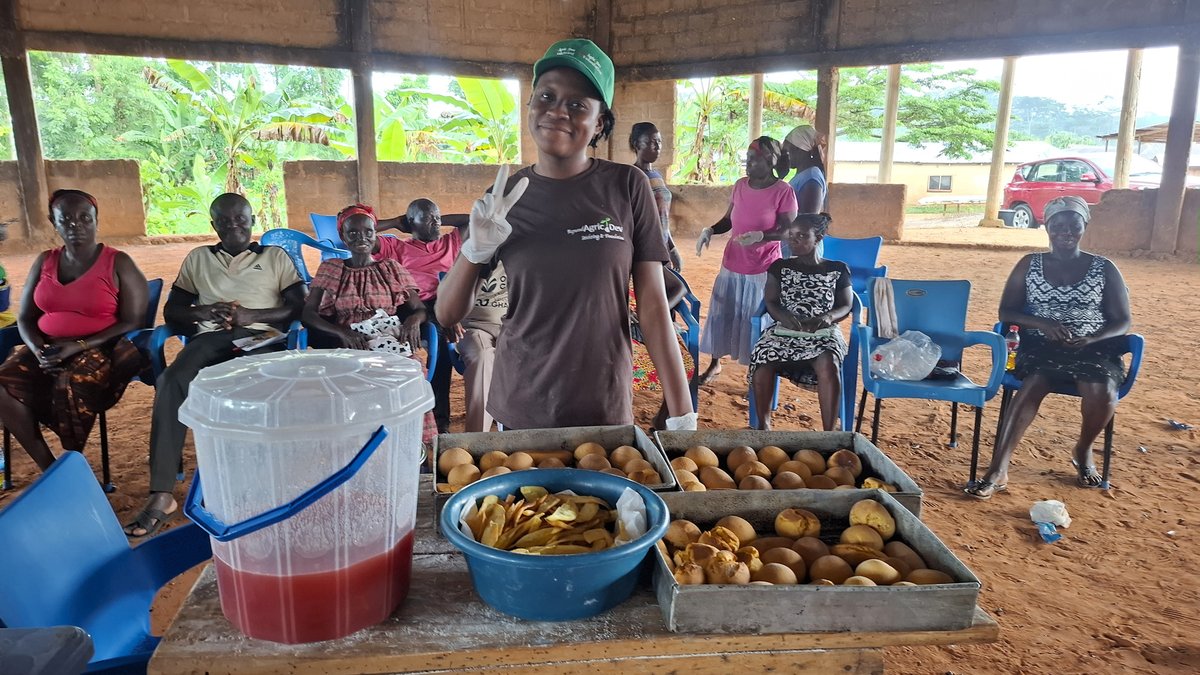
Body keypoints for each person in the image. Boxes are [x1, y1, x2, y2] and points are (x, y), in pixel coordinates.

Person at [436, 38, 695, 431]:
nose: (557, 111)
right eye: (546, 96)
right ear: (530, 107)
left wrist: (682, 412)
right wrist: (474, 250)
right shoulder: (505, 198)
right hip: (521, 399)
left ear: (600, 123)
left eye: (577, 104)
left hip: (603, 400)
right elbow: (447, 314)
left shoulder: (627, 186)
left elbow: (655, 308)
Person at [124, 193, 306, 537]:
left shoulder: (274, 257)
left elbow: (298, 307)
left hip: (262, 338)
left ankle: (262, 486)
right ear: (214, 226)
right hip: (212, 339)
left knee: (259, 388)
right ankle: (162, 494)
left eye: (241, 219)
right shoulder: (198, 259)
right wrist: (203, 312)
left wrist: (253, 315)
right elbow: (172, 312)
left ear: (253, 221)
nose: (234, 226)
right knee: (173, 380)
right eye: (225, 221)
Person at [966, 196, 1131, 499]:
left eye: (1073, 226)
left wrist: (1094, 338)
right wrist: (1043, 324)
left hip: (1092, 348)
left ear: (1084, 227)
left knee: (1102, 391)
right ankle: (998, 469)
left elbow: (1122, 320)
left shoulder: (1104, 268)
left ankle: (1082, 450)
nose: (1066, 232)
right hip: (1042, 346)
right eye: (1058, 226)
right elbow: (1007, 312)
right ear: (1046, 227)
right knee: (1032, 385)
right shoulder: (1029, 264)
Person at [0, 189, 149, 470]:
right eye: (65, 219)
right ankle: (51, 468)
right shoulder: (45, 261)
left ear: (96, 220)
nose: (75, 225)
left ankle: (73, 458)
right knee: (2, 383)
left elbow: (133, 321)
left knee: (70, 383)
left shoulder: (118, 263)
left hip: (100, 347)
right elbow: (25, 317)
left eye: (84, 218)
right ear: (53, 222)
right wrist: (38, 350)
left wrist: (79, 345)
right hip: (48, 348)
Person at [301, 203, 436, 441]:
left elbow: (419, 308)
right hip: (350, 345)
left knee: (410, 376)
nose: (361, 238)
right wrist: (342, 333)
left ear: (376, 235)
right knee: (351, 383)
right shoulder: (332, 268)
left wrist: (413, 321)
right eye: (353, 233)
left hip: (389, 342)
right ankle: (360, 445)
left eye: (368, 232)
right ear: (343, 236)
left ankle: (413, 444)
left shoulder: (391, 268)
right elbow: (308, 314)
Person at [695, 136, 798, 386]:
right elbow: (729, 219)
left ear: (770, 160)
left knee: (755, 318)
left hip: (762, 267)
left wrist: (763, 236)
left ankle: (758, 372)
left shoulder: (783, 191)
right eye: (747, 160)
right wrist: (710, 230)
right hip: (733, 262)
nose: (747, 164)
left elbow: (788, 230)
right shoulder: (741, 185)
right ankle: (715, 363)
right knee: (724, 312)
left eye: (753, 160)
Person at [748, 213, 852, 431]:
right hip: (786, 330)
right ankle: (763, 428)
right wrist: (783, 317)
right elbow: (771, 301)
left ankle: (828, 433)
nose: (793, 240)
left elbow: (845, 305)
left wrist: (828, 317)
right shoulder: (780, 267)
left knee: (828, 362)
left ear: (819, 237)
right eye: (791, 235)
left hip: (822, 331)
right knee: (763, 359)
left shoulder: (837, 269)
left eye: (802, 236)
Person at [375, 199, 468, 434]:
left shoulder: (450, 241)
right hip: (409, 305)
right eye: (427, 218)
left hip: (443, 301)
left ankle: (440, 418)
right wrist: (397, 222)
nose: (435, 222)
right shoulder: (397, 248)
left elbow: (470, 219)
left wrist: (437, 218)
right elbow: (363, 229)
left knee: (443, 342)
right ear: (411, 222)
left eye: (436, 217)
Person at [630, 268, 696, 428]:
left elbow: (679, 288)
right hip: (610, 323)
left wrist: (656, 311)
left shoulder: (640, 257)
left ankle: (662, 418)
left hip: (644, 320)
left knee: (681, 362)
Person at [455, 260, 506, 432]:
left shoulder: (522, 255)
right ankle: (477, 438)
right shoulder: (470, 255)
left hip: (513, 327)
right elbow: (450, 300)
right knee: (483, 357)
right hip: (474, 327)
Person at [630, 122, 682, 271]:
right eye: (651, 142)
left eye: (659, 141)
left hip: (662, 247)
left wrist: (672, 249)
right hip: (644, 250)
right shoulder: (631, 176)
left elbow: (662, 219)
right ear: (636, 145)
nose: (657, 147)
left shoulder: (657, 176)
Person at [782, 124, 828, 214]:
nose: (783, 156)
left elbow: (809, 219)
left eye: (786, 151)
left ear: (799, 150)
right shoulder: (805, 175)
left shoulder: (812, 177)